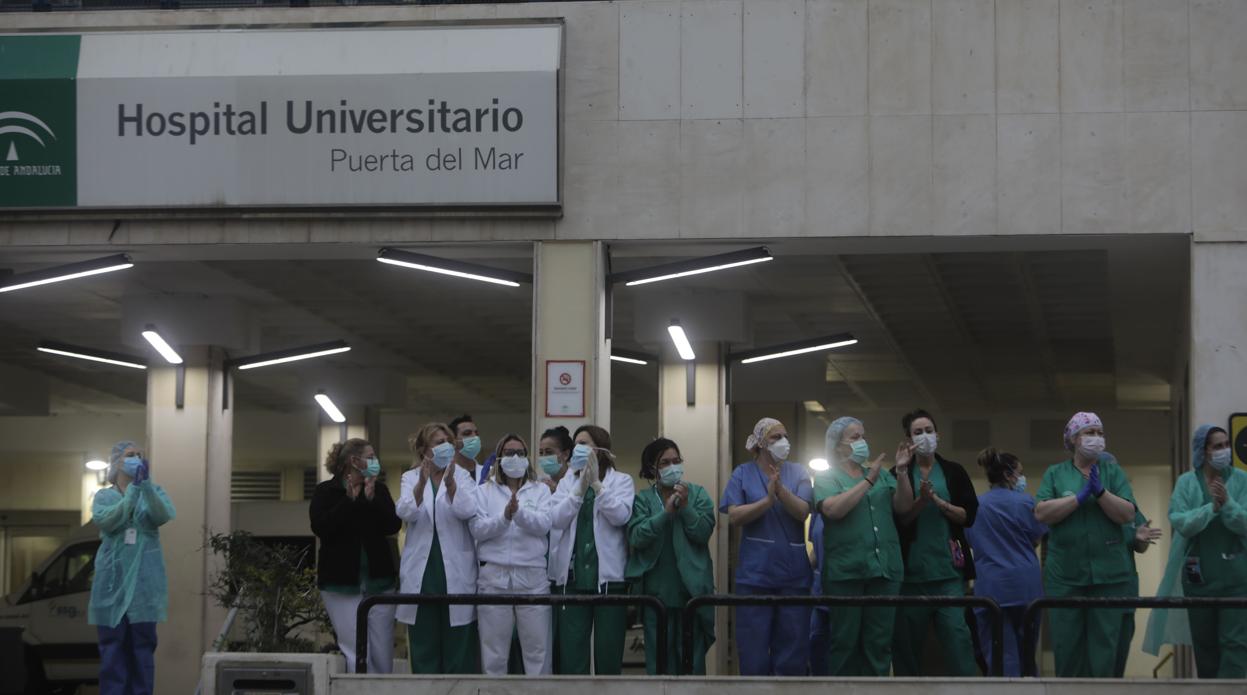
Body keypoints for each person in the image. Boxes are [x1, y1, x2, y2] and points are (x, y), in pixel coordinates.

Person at [1034, 412, 1138, 677]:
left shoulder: (1113, 472)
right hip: (1065, 578)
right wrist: (1079, 498)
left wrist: (1101, 493)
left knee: (1104, 654)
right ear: (1074, 438)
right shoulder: (1056, 474)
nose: (1096, 438)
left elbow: (1127, 513)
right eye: (1089, 433)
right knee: (1067, 651)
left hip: (1109, 578)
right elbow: (1042, 513)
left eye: (1100, 433)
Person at [1144, 424, 1247, 678]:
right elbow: (1180, 522)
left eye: (1226, 445)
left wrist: (1227, 504)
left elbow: (1244, 522)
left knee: (1236, 645)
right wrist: (1211, 508)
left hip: (1236, 578)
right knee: (1205, 647)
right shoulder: (1187, 483)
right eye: (1217, 446)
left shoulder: (1242, 481)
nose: (1224, 451)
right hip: (1198, 579)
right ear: (1203, 451)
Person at [814, 416, 914, 677]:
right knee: (845, 644)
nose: (862, 442)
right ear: (838, 446)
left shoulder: (882, 475)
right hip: (846, 573)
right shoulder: (828, 477)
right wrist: (867, 482)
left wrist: (901, 472)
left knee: (879, 645)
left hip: (884, 571)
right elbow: (833, 509)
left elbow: (903, 506)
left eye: (863, 435)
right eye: (854, 437)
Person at [719, 417, 814, 676]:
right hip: (755, 577)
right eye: (775, 437)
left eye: (785, 436)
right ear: (760, 443)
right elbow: (735, 516)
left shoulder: (798, 473)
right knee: (753, 653)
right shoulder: (742, 473)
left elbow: (803, 511)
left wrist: (780, 491)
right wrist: (768, 501)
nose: (783, 442)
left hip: (794, 577)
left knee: (793, 652)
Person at [891, 410, 979, 676]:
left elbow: (968, 516)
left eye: (929, 430)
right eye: (918, 432)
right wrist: (920, 498)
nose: (925, 436)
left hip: (948, 573)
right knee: (907, 647)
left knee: (957, 638)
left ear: (937, 434)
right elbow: (901, 518)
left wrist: (938, 502)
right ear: (909, 439)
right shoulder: (898, 472)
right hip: (911, 576)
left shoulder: (953, 471)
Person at [88, 440, 176, 695]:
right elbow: (110, 520)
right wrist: (133, 492)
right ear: (116, 462)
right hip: (111, 589)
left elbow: (161, 515)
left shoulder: (154, 492)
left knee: (142, 652)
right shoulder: (104, 497)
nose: (135, 458)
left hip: (144, 590)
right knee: (113, 652)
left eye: (139, 455)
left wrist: (145, 486)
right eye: (129, 455)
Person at [309, 438, 401, 674]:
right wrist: (348, 501)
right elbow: (321, 527)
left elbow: (393, 525)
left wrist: (371, 500)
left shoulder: (379, 489)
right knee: (356, 652)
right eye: (370, 457)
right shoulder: (326, 491)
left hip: (379, 580)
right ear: (353, 461)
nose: (375, 462)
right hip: (340, 583)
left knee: (382, 652)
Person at [548, 425, 635, 674]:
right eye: (576, 445)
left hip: (609, 581)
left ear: (601, 449)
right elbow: (556, 518)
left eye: (584, 444)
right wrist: (578, 490)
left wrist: (597, 485)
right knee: (573, 656)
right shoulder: (567, 482)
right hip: (573, 580)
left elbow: (620, 516)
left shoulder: (622, 481)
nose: (578, 449)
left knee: (609, 654)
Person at [395, 422, 480, 673]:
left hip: (455, 573)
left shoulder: (463, 476)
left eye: (447, 441)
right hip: (422, 575)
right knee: (424, 653)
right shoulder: (409, 477)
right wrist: (421, 485)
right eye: (437, 442)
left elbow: (468, 511)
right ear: (424, 449)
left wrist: (452, 485)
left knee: (459, 653)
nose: (444, 446)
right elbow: (405, 512)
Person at [626, 437, 715, 675]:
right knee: (660, 663)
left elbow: (702, 533)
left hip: (692, 592)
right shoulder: (644, 499)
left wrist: (685, 508)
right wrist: (664, 514)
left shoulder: (697, 495)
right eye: (665, 462)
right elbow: (636, 537)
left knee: (692, 663)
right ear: (652, 469)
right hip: (657, 595)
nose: (672, 466)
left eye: (676, 461)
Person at [470, 434, 553, 675]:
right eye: (508, 452)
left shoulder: (540, 491)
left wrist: (519, 515)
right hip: (494, 578)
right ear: (499, 458)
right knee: (494, 653)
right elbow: (478, 529)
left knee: (537, 651)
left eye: (520, 452)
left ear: (527, 458)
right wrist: (505, 517)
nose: (514, 457)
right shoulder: (483, 492)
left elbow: (544, 524)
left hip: (533, 578)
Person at [965, 447, 1047, 677]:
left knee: (999, 656)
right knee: (1027, 655)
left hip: (992, 588)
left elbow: (972, 542)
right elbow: (1036, 537)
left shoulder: (975, 506)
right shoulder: (1026, 503)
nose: (1022, 478)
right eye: (1020, 473)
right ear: (1010, 475)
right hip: (1027, 588)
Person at [1114, 466, 1163, 677]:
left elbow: (1141, 545)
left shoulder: (1128, 508)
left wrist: (1138, 538)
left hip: (1125, 592)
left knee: (1118, 658)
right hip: (1094, 594)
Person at [807, 513, 831, 676]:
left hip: (845, 588)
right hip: (818, 592)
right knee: (815, 644)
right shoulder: (818, 510)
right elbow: (815, 551)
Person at [450, 414, 490, 484]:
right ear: (453, 441)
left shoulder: (490, 473)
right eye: (467, 433)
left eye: (476, 433)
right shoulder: (445, 475)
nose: (475, 437)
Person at [537, 425, 573, 494]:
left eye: (549, 452)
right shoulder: (540, 483)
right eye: (541, 453)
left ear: (565, 454)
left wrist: (557, 492)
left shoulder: (577, 481)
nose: (544, 456)